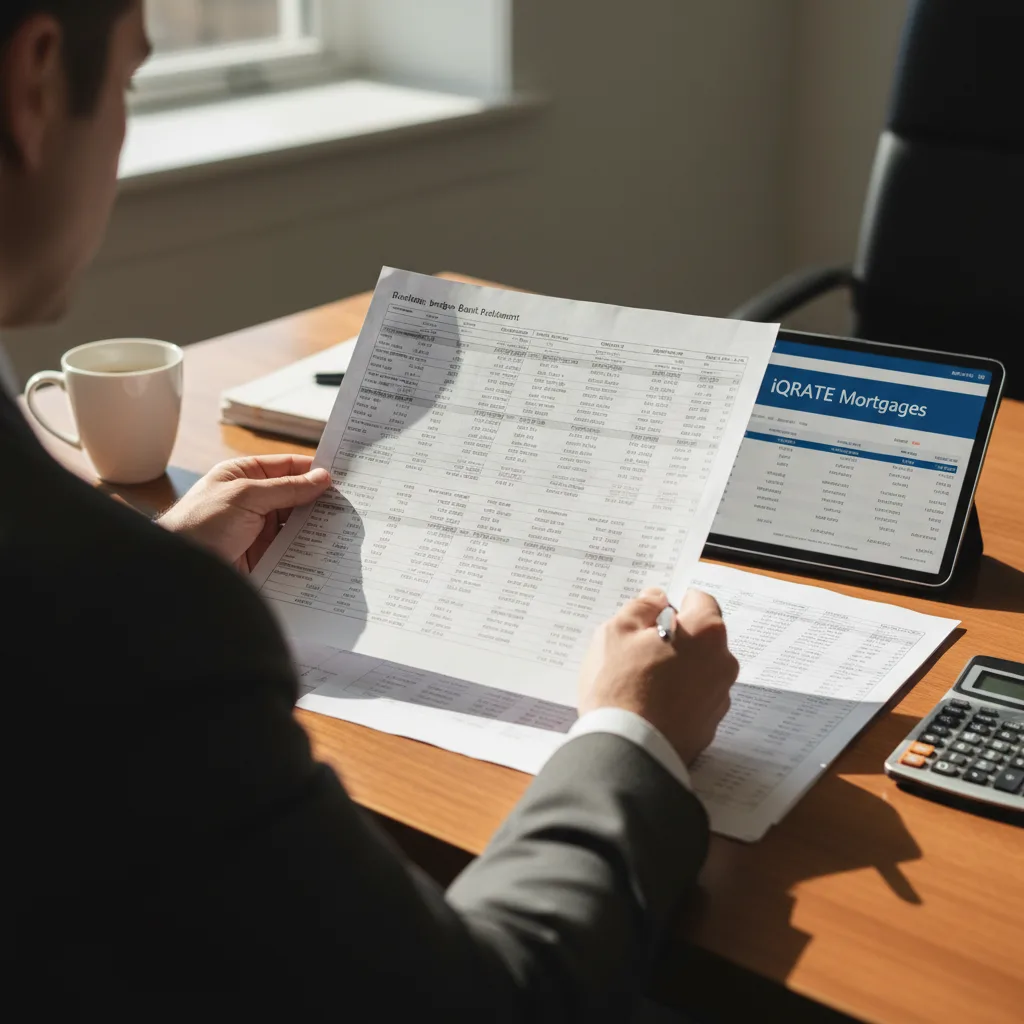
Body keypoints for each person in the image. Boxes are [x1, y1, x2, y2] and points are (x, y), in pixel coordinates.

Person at [3, 1, 739, 1014]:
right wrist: (634, 733)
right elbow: (487, 998)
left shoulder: (96, 604)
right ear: (35, 84)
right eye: (127, 83)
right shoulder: (131, 626)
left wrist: (154, 560)